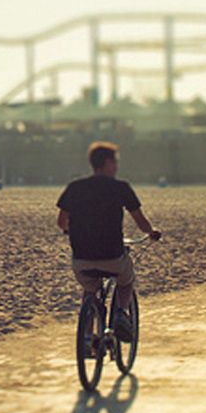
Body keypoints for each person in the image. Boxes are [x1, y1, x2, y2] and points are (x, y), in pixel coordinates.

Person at [57, 142, 162, 343]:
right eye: (115, 162)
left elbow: (61, 222)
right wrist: (152, 232)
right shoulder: (121, 188)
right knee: (126, 280)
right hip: (112, 256)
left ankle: (87, 336)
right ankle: (121, 313)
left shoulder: (75, 187)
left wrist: (70, 230)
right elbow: (140, 221)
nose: (116, 166)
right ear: (107, 163)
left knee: (90, 290)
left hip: (81, 260)